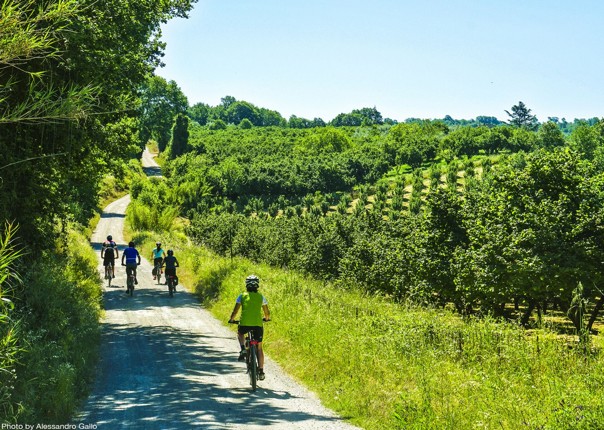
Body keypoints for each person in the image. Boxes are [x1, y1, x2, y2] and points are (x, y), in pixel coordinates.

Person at [228, 275, 271, 380]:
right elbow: (267, 313)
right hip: (257, 325)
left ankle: (243, 348)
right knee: (259, 348)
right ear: (257, 286)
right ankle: (261, 371)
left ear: (246, 285)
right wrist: (267, 318)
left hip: (244, 323)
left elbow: (235, 311)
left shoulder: (241, 296)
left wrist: (232, 319)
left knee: (240, 333)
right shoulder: (261, 297)